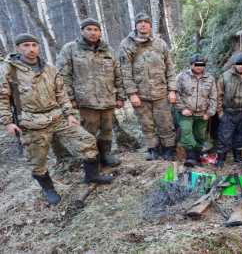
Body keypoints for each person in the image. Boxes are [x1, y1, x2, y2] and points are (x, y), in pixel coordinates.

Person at [0, 34, 112, 205]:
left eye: (34, 45)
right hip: (31, 123)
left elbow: (61, 94)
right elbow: (2, 97)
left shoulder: (49, 69)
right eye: (26, 46)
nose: (31, 49)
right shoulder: (9, 70)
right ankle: (48, 189)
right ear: (18, 48)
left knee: (87, 141)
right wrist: (8, 122)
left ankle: (92, 175)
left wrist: (69, 115)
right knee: (37, 161)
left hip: (57, 117)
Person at [56, 18, 125, 167]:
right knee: (89, 132)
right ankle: (93, 160)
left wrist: (120, 96)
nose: (93, 33)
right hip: (86, 100)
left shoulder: (108, 50)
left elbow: (118, 74)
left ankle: (106, 154)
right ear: (82, 31)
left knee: (107, 130)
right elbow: (63, 76)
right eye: (89, 29)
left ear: (100, 32)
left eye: (96, 29)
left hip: (107, 98)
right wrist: (70, 99)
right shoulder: (70, 49)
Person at [119, 12, 176, 161]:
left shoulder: (160, 43)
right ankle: (153, 149)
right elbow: (124, 71)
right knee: (146, 124)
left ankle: (168, 149)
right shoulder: (127, 44)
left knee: (165, 123)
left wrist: (172, 90)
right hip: (140, 94)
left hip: (161, 93)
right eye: (140, 22)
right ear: (136, 25)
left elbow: (170, 67)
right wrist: (132, 93)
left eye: (146, 22)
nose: (143, 24)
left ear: (150, 25)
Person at [215, 52, 242, 167]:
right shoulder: (225, 76)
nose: (241, 66)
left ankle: (237, 156)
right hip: (229, 111)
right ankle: (221, 158)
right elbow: (218, 95)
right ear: (235, 64)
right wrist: (220, 113)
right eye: (239, 64)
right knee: (224, 135)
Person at [175, 54, 217, 166]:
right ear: (191, 65)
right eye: (196, 64)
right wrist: (182, 109)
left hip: (203, 113)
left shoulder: (210, 78)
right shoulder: (182, 76)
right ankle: (191, 157)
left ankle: (198, 157)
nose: (199, 67)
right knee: (186, 133)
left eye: (202, 65)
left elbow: (213, 96)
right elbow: (175, 94)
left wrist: (209, 112)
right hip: (186, 112)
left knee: (200, 135)